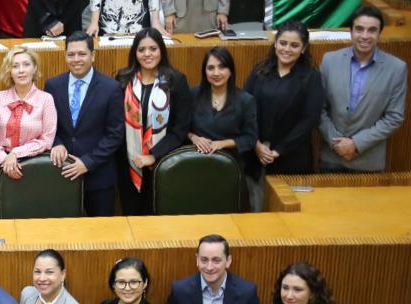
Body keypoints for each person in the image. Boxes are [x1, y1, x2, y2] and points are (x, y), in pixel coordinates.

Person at [244, 20, 324, 210]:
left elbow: (309, 120)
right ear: (275, 43)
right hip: (255, 155)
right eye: (283, 43)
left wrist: (278, 150)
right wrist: (256, 144)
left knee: (287, 213)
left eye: (294, 45)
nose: (287, 49)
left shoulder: (311, 77)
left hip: (292, 157)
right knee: (255, 209)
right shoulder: (259, 71)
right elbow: (245, 108)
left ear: (303, 48)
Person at [318, 4, 408, 172]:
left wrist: (356, 144)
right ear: (351, 31)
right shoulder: (330, 61)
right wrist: (336, 143)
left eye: (372, 30)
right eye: (359, 29)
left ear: (379, 34)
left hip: (368, 162)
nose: (365, 36)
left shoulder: (396, 68)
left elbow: (394, 117)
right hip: (331, 157)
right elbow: (318, 109)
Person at [114, 28, 192, 215]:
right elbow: (116, 123)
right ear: (135, 52)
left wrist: (154, 155)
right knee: (130, 216)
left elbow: (180, 129)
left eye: (153, 49)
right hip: (128, 162)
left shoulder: (176, 81)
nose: (147, 54)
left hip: (163, 162)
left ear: (161, 51)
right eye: (141, 50)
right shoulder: (123, 79)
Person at [46, 32, 124, 216]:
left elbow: (115, 134)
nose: (76, 59)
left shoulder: (111, 88)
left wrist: (88, 162)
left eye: (82, 54)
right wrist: (56, 143)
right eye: (71, 54)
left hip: (99, 176)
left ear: (93, 55)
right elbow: (48, 124)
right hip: (62, 172)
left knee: (101, 232)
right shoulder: (53, 85)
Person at [0, 46, 57, 183]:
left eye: (26, 64)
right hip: (1, 164)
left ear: (34, 68)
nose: (21, 70)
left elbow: (47, 139)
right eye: (15, 66)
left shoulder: (46, 99)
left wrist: (16, 153)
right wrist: (5, 159)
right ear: (10, 71)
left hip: (34, 163)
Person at [186, 46, 257, 169]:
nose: (216, 73)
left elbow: (250, 138)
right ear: (205, 71)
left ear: (231, 71)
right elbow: (178, 127)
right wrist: (194, 138)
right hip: (194, 160)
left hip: (229, 164)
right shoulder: (192, 94)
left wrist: (221, 144)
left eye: (222, 67)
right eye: (211, 68)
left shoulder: (246, 100)